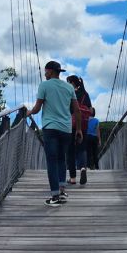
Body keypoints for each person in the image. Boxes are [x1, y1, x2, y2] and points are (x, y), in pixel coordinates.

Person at [29, 60, 82, 206]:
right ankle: (62, 190)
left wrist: (28, 112)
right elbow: (77, 110)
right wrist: (78, 129)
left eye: (45, 71)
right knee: (61, 159)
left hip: (50, 128)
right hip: (66, 129)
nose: (45, 74)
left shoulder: (44, 85)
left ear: (51, 71)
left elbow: (37, 108)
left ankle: (55, 196)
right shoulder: (69, 87)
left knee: (52, 161)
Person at [66, 74, 92, 186]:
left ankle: (72, 178)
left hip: (70, 124)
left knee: (70, 151)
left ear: (72, 83)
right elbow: (90, 110)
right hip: (83, 125)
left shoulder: (68, 92)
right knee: (82, 149)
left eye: (68, 82)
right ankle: (82, 169)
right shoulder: (85, 94)